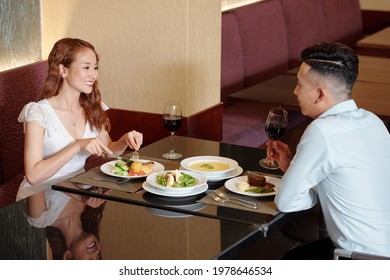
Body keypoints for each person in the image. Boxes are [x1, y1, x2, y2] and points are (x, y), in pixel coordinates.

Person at [266, 42, 390, 259]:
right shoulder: (374, 121)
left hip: (363, 260)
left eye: (299, 85)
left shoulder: (322, 131)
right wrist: (293, 166)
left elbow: (286, 201)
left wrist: (296, 179)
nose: (295, 92)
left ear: (320, 94)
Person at [17, 37, 143, 200]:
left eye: (95, 67)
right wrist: (77, 146)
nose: (93, 75)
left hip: (78, 188)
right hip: (41, 193)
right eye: (86, 67)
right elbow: (33, 176)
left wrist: (124, 141)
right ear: (63, 70)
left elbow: (108, 152)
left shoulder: (93, 108)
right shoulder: (37, 112)